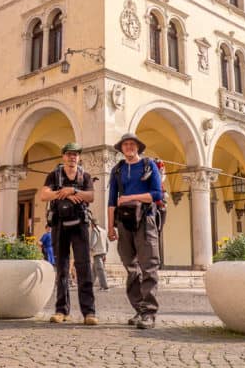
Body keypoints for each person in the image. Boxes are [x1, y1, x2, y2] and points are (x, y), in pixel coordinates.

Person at [108, 133, 162, 329]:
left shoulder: (149, 166)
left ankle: (149, 313)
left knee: (149, 266)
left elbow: (157, 194)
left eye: (132, 144)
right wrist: (110, 228)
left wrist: (132, 197)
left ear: (138, 147)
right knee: (130, 267)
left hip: (145, 220)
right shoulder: (117, 170)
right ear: (121, 148)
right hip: (124, 222)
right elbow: (111, 201)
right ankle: (139, 308)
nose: (129, 147)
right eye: (125, 144)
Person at [39, 142, 97, 326]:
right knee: (62, 268)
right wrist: (62, 193)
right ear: (63, 156)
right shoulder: (54, 175)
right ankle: (61, 310)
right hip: (59, 224)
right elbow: (44, 195)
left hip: (80, 225)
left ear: (78, 158)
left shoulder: (84, 176)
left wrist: (74, 190)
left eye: (76, 155)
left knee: (84, 267)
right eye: (69, 154)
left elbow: (90, 197)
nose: (73, 157)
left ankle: (89, 312)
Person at [90, 218, 109, 291]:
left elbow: (93, 243)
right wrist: (105, 253)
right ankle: (90, 285)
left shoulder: (95, 231)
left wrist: (90, 249)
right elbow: (107, 244)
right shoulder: (103, 231)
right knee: (94, 271)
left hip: (97, 253)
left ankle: (105, 286)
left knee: (100, 270)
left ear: (92, 224)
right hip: (103, 252)